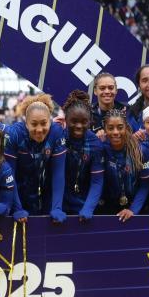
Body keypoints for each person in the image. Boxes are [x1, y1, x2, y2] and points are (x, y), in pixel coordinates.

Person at [4, 94, 66, 222]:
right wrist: (17, 208)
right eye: (34, 124)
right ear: (26, 123)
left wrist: (57, 207)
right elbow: (9, 175)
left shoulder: (56, 132)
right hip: (19, 191)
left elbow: (58, 173)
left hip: (45, 190)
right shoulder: (14, 134)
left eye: (44, 123)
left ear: (50, 120)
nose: (39, 129)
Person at [98, 109, 149, 222]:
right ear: (105, 130)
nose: (115, 132)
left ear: (126, 128)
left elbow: (145, 185)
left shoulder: (140, 150)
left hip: (137, 207)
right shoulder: (101, 150)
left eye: (120, 127)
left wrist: (133, 210)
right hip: (107, 209)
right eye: (110, 128)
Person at [61, 91, 104, 221]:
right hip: (58, 202)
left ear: (90, 121)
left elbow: (97, 181)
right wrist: (55, 206)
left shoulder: (96, 144)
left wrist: (88, 208)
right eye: (74, 121)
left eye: (84, 122)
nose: (79, 126)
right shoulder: (58, 137)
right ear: (66, 119)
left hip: (83, 203)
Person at [90, 72, 127, 138]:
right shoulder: (88, 113)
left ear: (116, 90)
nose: (107, 91)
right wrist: (95, 140)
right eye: (102, 88)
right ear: (95, 91)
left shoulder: (127, 110)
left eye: (111, 88)